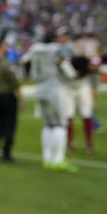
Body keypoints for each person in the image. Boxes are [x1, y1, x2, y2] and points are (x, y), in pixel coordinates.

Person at [23, 29, 78, 172]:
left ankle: (47, 158)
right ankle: (58, 160)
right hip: (54, 87)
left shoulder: (36, 48)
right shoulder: (58, 49)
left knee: (48, 124)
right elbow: (68, 69)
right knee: (60, 124)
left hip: (40, 87)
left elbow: (24, 60)